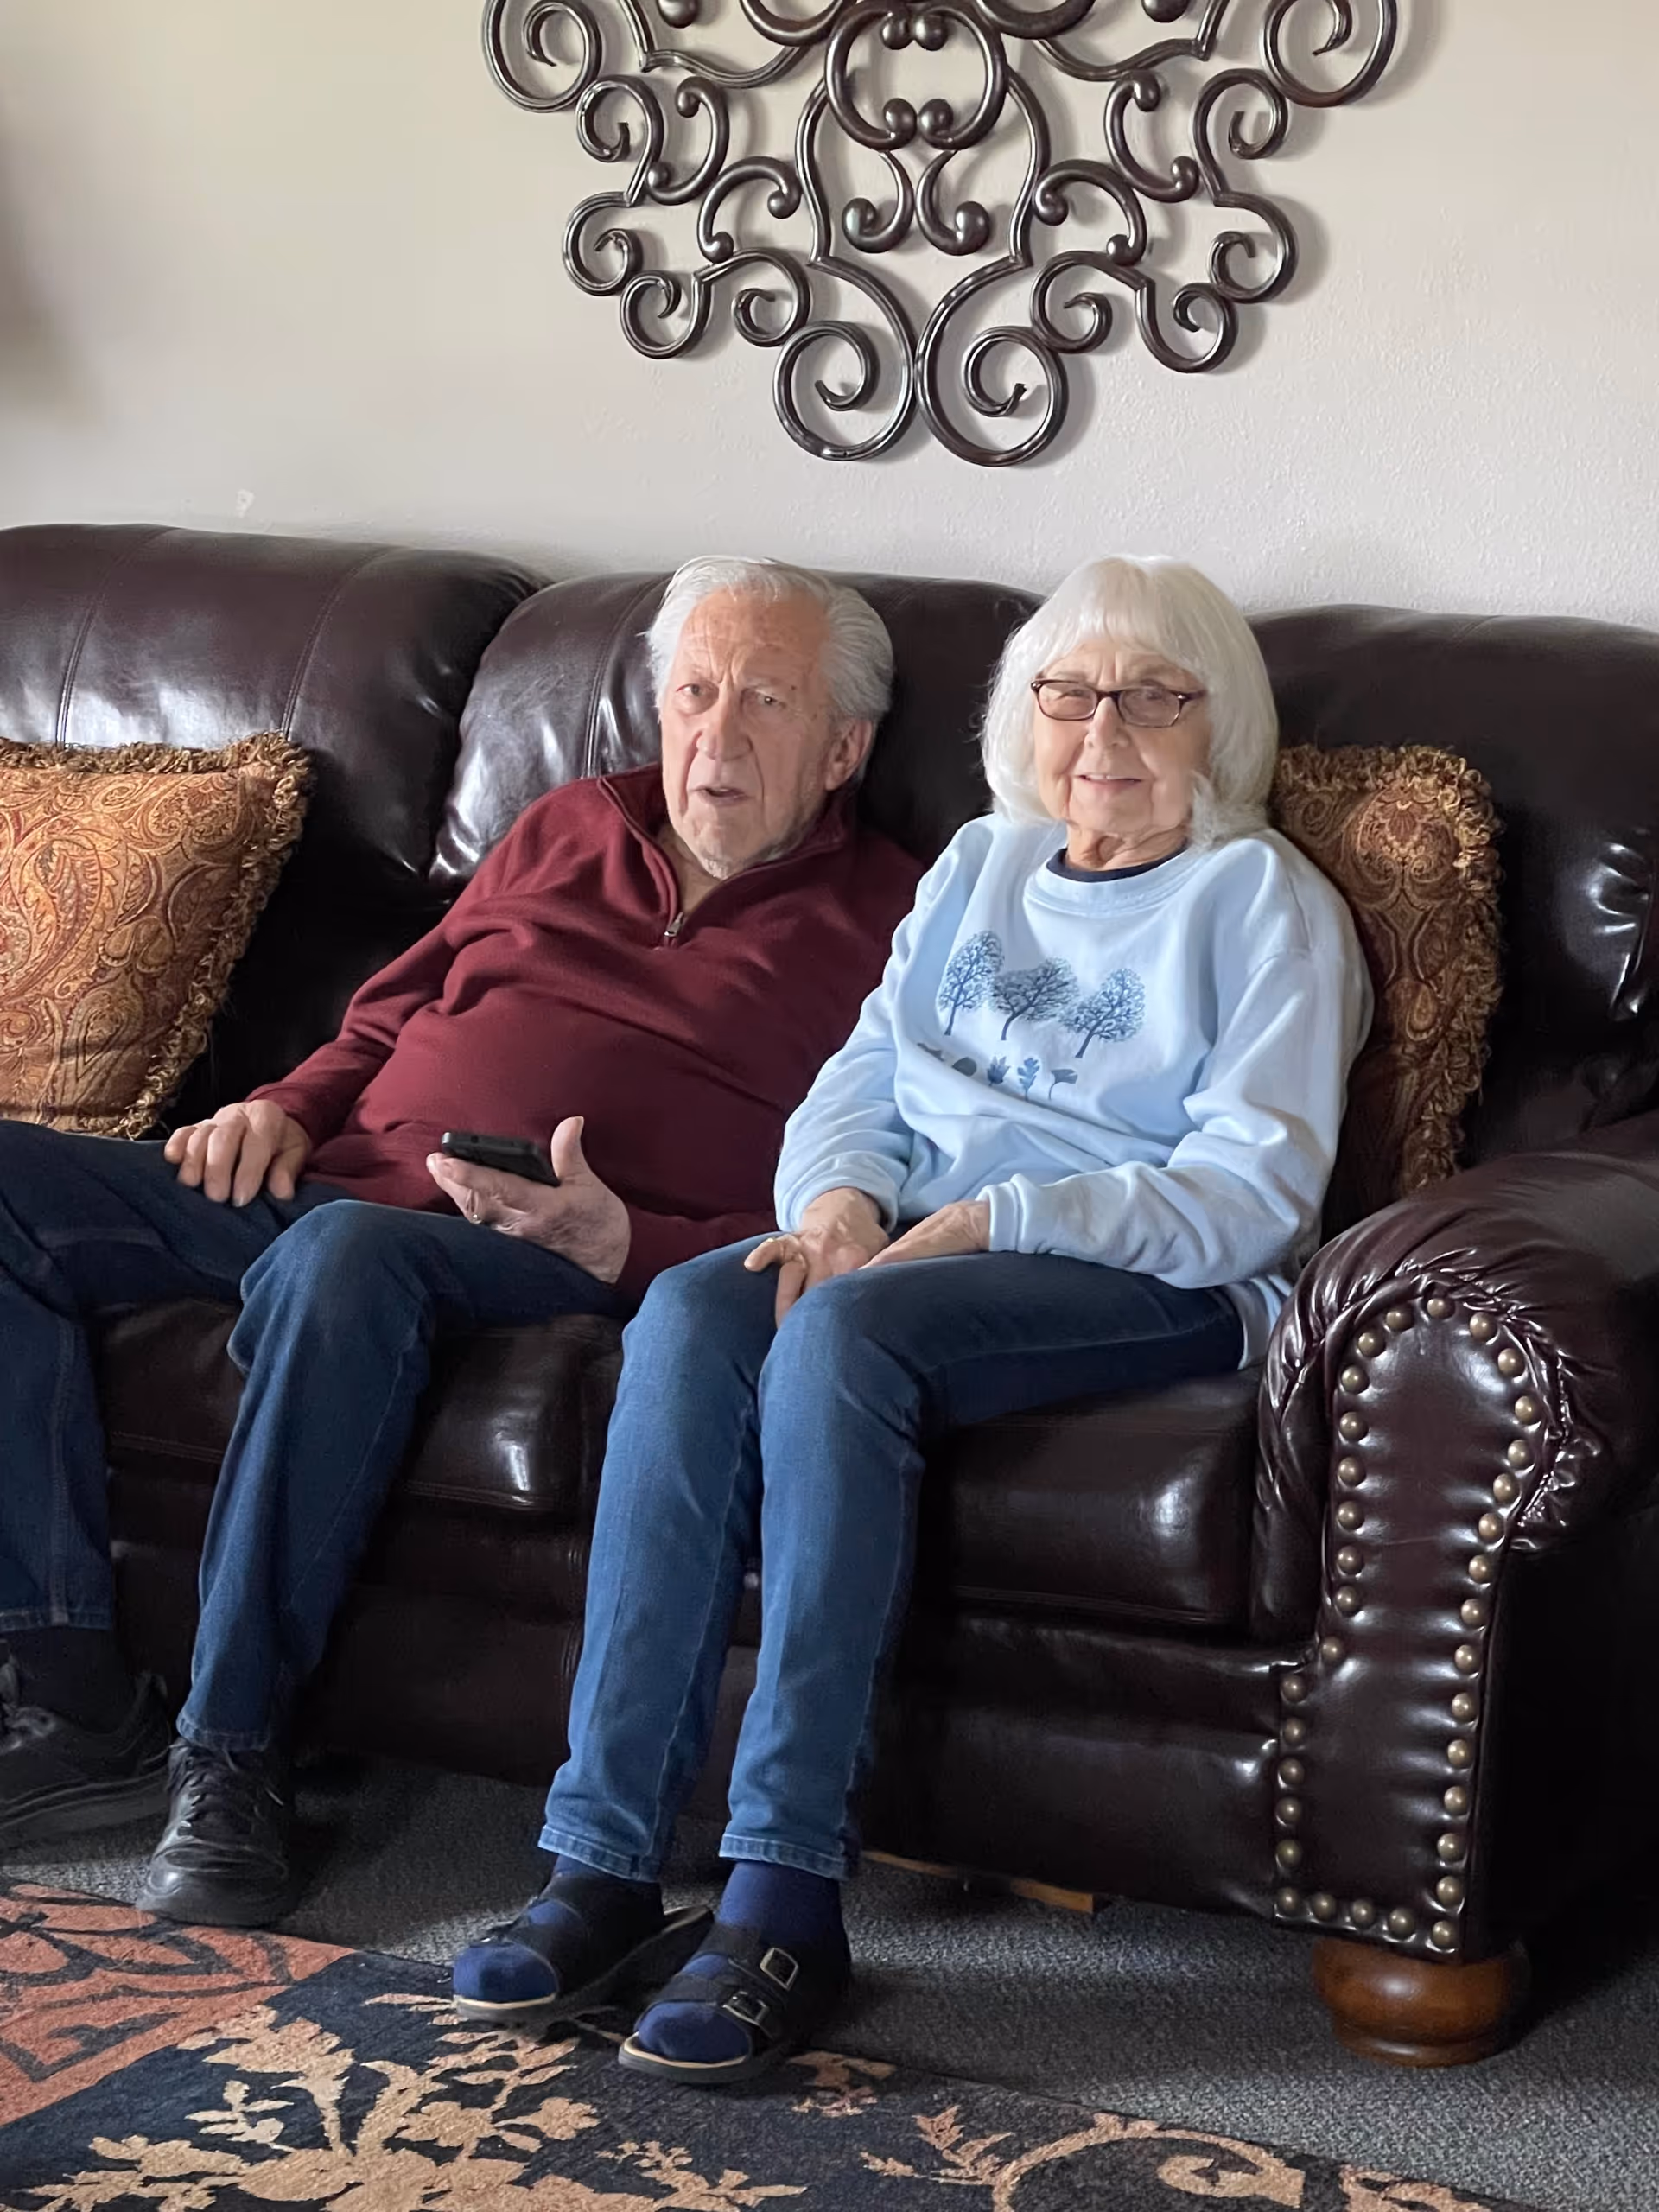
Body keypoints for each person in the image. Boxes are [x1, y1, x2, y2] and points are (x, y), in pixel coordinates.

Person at [453, 555, 1373, 2085]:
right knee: (694, 1309)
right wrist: (834, 1208)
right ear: (1024, 715)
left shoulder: (1261, 903)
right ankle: (601, 1863)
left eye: (1154, 698)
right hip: (917, 1250)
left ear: (1223, 723)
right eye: (1069, 694)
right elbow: (865, 1079)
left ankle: (783, 1894)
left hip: (1149, 1279)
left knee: (839, 1341)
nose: (1103, 732)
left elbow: (1256, 1194)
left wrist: (994, 1221)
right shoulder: (980, 868)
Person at [0, 556, 921, 1934]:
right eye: (693, 693)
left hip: (553, 1251)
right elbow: (390, 1014)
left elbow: (860, 1210)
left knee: (348, 1258)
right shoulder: (564, 823)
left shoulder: (898, 921)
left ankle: (233, 1751)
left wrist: (632, 1240)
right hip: (342, 1182)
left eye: (765, 702)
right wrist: (284, 1106)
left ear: (844, 748)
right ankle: (69, 1689)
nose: (715, 736)